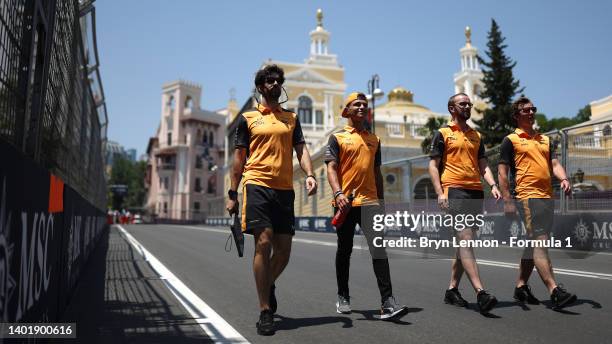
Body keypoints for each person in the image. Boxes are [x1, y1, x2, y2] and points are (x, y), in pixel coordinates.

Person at [226, 65, 317, 335]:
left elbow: (301, 149)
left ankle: (268, 283)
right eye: (269, 80)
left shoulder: (291, 118)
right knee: (263, 242)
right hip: (256, 186)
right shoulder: (248, 118)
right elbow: (239, 159)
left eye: (278, 79)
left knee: (285, 251)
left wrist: (310, 174)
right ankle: (265, 309)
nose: (275, 82)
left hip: (284, 190)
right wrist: (233, 192)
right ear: (260, 86)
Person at [325, 92, 407, 320]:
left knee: (378, 250)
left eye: (364, 104)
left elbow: (376, 172)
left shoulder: (374, 140)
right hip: (345, 202)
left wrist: (382, 201)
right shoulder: (337, 138)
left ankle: (388, 303)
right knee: (345, 250)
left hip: (371, 202)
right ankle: (343, 295)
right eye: (356, 104)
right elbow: (331, 169)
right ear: (347, 110)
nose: (362, 107)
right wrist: (338, 192)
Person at [498, 96, 577, 309]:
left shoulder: (545, 139)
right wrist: (507, 200)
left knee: (533, 241)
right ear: (516, 115)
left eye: (533, 109)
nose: (531, 112)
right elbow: (502, 172)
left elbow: (554, 163)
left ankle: (521, 286)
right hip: (527, 196)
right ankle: (554, 290)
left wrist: (564, 178)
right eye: (526, 110)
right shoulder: (511, 140)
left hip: (546, 196)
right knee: (540, 241)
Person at [428, 93, 501, 314]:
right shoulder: (442, 133)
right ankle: (481, 292)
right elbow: (433, 165)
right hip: (454, 190)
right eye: (463, 104)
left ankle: (452, 289)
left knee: (465, 242)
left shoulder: (476, 135)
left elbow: (484, 165)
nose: (468, 106)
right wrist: (440, 193)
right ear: (452, 108)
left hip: (476, 191)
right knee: (466, 238)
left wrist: (493, 184)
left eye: (469, 104)